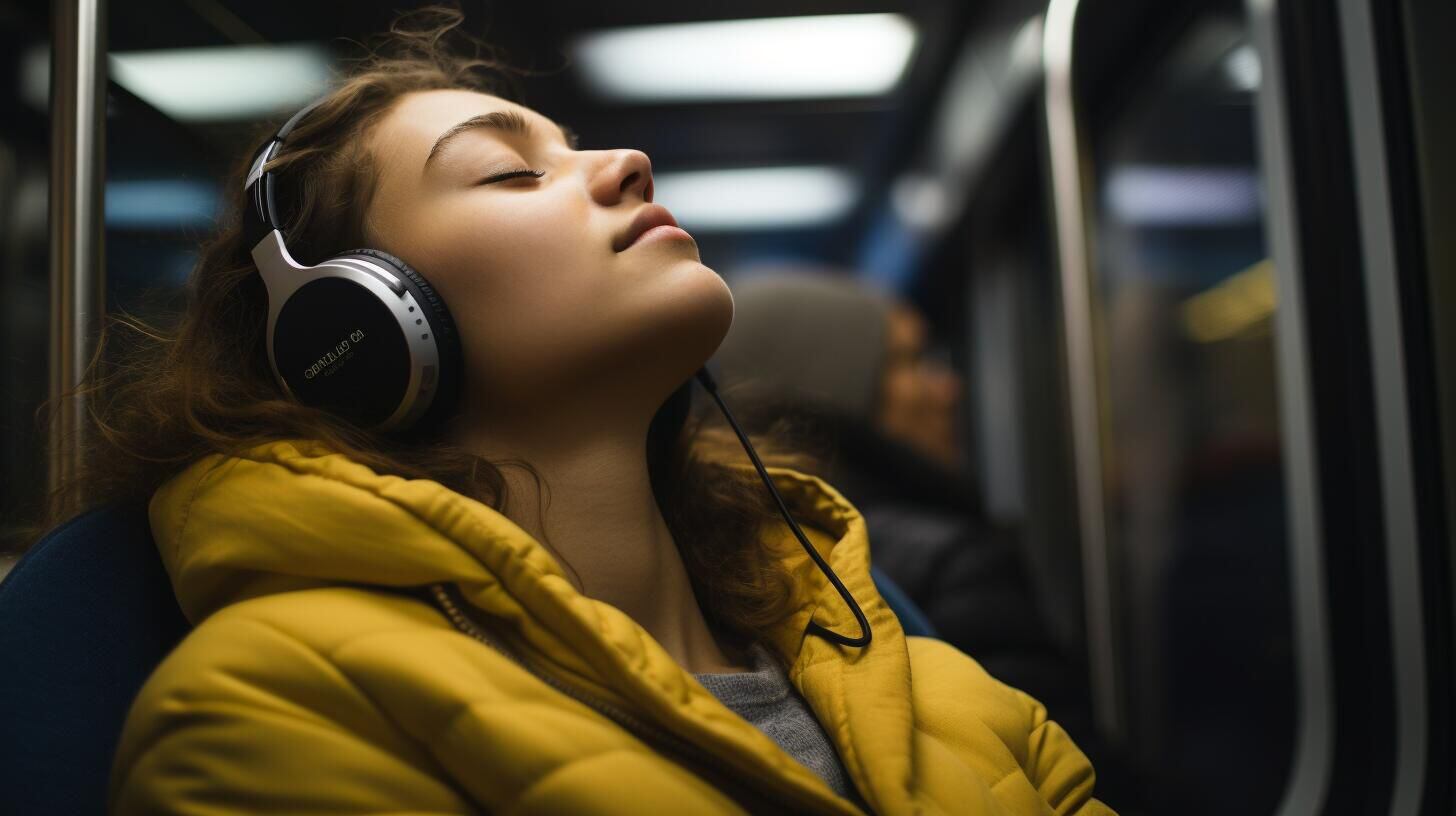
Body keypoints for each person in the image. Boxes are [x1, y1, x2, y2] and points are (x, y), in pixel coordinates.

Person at [35, 8, 1114, 814]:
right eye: (509, 173)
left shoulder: (925, 676)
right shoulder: (277, 705)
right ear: (354, 333)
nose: (626, 164)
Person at [713, 271, 1101, 755]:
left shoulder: (734, 568)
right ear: (836, 389)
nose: (949, 388)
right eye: (911, 361)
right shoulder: (950, 564)